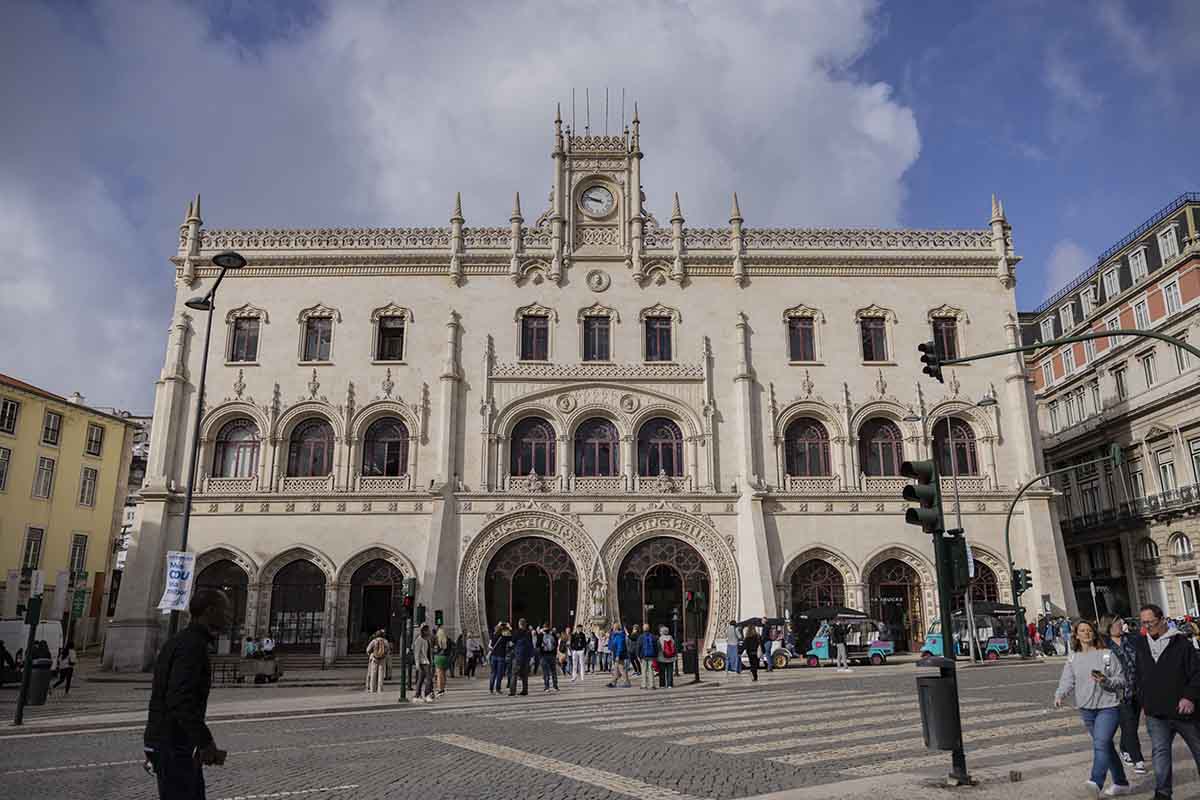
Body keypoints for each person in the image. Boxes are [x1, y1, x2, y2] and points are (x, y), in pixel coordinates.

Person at [144, 588, 232, 800]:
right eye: (225, 611)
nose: (229, 616)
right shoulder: (192, 646)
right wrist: (205, 742)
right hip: (174, 744)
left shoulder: (179, 641)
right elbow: (180, 699)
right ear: (210, 611)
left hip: (170, 742)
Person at [1053, 619, 1130, 797]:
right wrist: (1060, 694)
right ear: (1076, 635)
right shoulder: (1073, 657)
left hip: (1108, 706)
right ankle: (1121, 783)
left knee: (1101, 743)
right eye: (1082, 631)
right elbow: (1067, 680)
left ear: (1094, 633)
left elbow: (1122, 680)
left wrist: (1106, 681)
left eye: (1089, 630)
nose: (1086, 633)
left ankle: (1096, 781)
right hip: (1086, 709)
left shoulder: (1107, 654)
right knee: (1106, 746)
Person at [1134, 603, 1200, 800]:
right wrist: (1144, 700)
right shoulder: (1140, 643)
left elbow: (1197, 674)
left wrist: (1189, 696)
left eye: (1151, 623)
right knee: (1160, 753)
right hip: (1156, 712)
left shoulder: (1182, 644)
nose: (1148, 627)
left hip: (1184, 712)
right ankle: (1162, 793)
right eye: (1144, 623)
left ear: (1162, 620)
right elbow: (1139, 674)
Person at [1102, 615, 1146, 775]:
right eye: (1117, 623)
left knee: (1132, 724)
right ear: (1108, 626)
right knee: (1128, 724)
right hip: (1118, 692)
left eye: (1121, 622)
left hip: (1137, 688)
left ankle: (1124, 748)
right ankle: (1138, 760)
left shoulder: (1133, 639)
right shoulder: (1103, 645)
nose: (1121, 625)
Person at [509, 618, 533, 696]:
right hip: (526, 657)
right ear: (525, 624)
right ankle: (525, 690)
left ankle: (513, 691)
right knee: (525, 675)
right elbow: (531, 645)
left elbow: (511, 643)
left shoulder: (516, 632)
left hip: (518, 657)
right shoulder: (528, 633)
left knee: (514, 674)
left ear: (519, 624)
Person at [411, 624, 434, 703]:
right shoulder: (419, 640)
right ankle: (427, 695)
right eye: (427, 630)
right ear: (423, 631)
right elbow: (416, 653)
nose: (428, 631)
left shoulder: (427, 639)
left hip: (427, 661)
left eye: (428, 630)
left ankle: (417, 695)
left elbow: (429, 652)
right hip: (423, 663)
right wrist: (417, 664)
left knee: (420, 680)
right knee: (429, 679)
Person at [489, 622, 511, 694]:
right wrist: (509, 627)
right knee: (499, 673)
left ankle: (491, 688)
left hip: (493, 656)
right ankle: (498, 689)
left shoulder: (493, 635)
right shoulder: (504, 636)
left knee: (493, 673)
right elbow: (511, 636)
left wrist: (499, 625)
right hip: (501, 656)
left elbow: (491, 645)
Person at [607, 622, 631, 688]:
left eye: (614, 627)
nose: (613, 629)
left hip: (619, 654)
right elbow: (612, 644)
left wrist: (617, 655)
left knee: (620, 669)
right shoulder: (615, 635)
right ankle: (613, 682)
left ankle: (626, 682)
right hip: (616, 653)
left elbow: (620, 646)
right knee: (616, 669)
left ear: (616, 628)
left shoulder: (620, 635)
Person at [539, 624, 559, 692]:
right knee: (547, 672)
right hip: (544, 655)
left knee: (552, 671)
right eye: (545, 628)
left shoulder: (552, 635)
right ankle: (548, 686)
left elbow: (556, 643)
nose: (546, 630)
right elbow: (537, 644)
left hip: (550, 654)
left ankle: (554, 686)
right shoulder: (541, 635)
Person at [638, 625, 658, 690]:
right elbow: (656, 647)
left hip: (643, 656)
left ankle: (644, 685)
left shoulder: (641, 637)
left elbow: (638, 647)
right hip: (651, 656)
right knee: (651, 671)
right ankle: (652, 685)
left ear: (643, 629)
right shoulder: (653, 637)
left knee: (643, 670)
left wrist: (638, 655)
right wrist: (655, 655)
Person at [433, 627, 450, 695]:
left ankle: (440, 689)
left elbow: (435, 649)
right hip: (445, 658)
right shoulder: (447, 640)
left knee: (439, 674)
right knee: (443, 674)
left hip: (439, 657)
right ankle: (443, 688)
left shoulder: (437, 639)